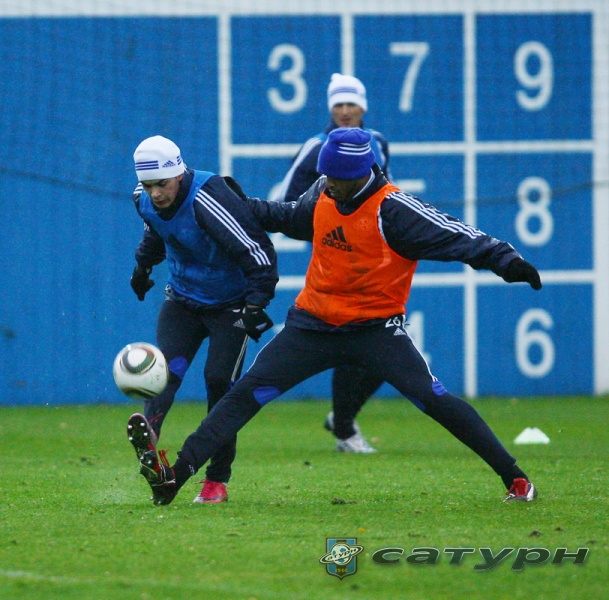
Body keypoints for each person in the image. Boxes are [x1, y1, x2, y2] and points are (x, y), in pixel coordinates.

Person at [132, 127, 541, 506]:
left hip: (375, 330)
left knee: (433, 400)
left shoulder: (394, 210)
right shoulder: (323, 193)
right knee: (241, 396)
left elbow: (458, 235)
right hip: (311, 326)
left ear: (359, 173)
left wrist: (507, 261)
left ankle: (515, 478)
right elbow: (285, 216)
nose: (326, 181)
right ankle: (175, 477)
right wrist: (235, 203)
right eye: (324, 174)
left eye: (334, 177)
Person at [126, 135, 278, 504]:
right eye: (149, 185)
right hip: (182, 300)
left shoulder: (208, 199)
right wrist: (143, 267)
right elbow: (156, 232)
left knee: (219, 385)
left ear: (178, 174)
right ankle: (150, 443)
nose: (155, 193)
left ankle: (216, 480)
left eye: (162, 183)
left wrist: (255, 303)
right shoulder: (143, 199)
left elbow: (257, 251)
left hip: (231, 306)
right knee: (165, 372)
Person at [273, 73, 392, 454]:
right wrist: (330, 231)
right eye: (338, 104)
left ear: (363, 107)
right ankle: (344, 430)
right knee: (352, 339)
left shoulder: (377, 143)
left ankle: (342, 419)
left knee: (386, 347)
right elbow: (286, 201)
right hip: (333, 263)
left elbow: (385, 195)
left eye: (351, 103)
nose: (344, 110)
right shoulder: (316, 147)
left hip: (373, 263)